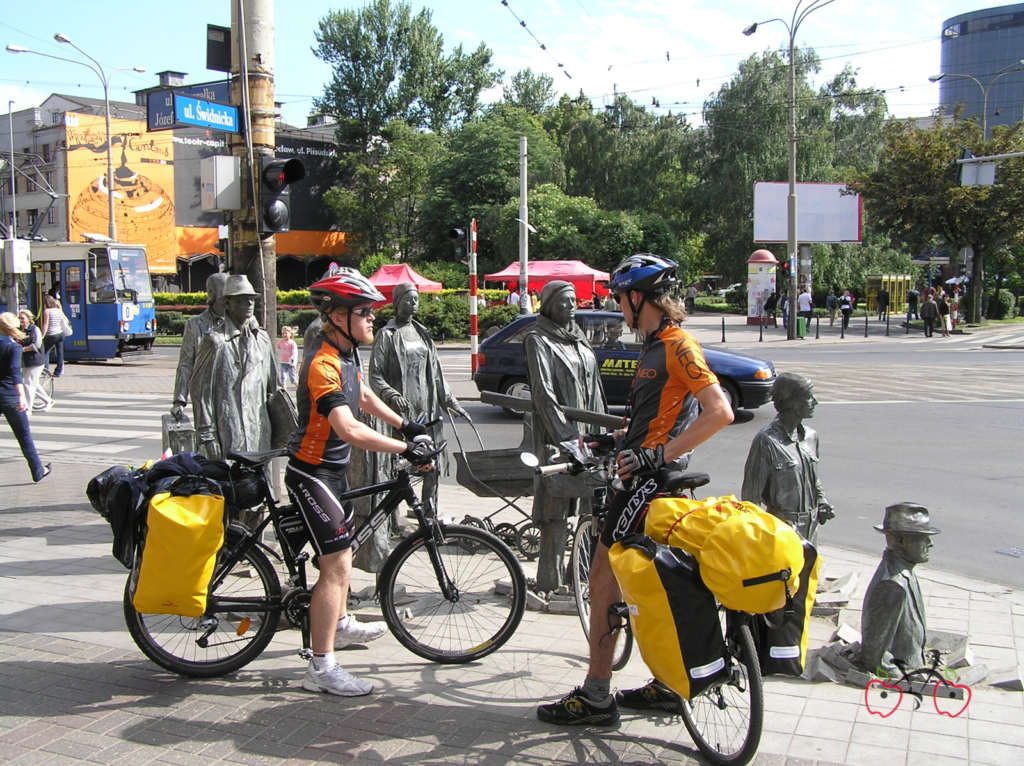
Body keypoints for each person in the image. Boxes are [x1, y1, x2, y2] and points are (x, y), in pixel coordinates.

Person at [536, 253, 734, 726]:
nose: (616, 307)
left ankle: (597, 696)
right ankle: (669, 683)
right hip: (643, 474)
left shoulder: (677, 345)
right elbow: (658, 417)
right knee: (655, 580)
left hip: (648, 484)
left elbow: (719, 412)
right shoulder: (653, 345)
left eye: (620, 298)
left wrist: (655, 456)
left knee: (603, 578)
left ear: (638, 297)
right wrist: (620, 439)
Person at [285, 270, 437, 697]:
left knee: (344, 550)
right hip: (311, 474)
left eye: (371, 312)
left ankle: (338, 620)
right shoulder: (322, 363)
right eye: (364, 312)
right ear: (336, 317)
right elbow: (349, 427)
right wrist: (404, 449)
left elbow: (365, 395)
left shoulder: (347, 354)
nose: (373, 319)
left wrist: (407, 424)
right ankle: (321, 668)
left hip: (334, 471)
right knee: (336, 565)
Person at [524, 280, 606, 593]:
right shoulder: (537, 339)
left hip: (589, 439)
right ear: (547, 305)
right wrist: (571, 440)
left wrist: (600, 436)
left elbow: (595, 387)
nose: (570, 307)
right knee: (555, 511)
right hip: (558, 438)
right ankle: (549, 581)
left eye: (573, 301)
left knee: (591, 509)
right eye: (563, 302)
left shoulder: (578, 337)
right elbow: (544, 396)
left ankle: (581, 577)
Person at [368, 282, 468, 517]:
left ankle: (428, 514)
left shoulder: (423, 334)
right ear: (396, 303)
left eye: (416, 299)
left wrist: (451, 402)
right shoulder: (387, 335)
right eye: (408, 299)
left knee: (432, 466)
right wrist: (390, 394)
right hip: (402, 416)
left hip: (429, 413)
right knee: (397, 469)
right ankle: (391, 519)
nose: (413, 304)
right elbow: (375, 375)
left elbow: (436, 373)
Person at [192, 275, 281, 459]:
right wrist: (207, 436)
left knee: (260, 485)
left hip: (260, 432)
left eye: (251, 299)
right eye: (241, 300)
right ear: (227, 303)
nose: (249, 304)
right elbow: (201, 393)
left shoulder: (262, 339)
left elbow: (274, 388)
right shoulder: (214, 341)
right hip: (229, 433)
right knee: (231, 485)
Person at [741, 372, 834, 546]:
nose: (815, 401)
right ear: (792, 402)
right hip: (781, 528)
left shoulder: (811, 437)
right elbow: (750, 498)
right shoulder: (767, 441)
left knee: (810, 571)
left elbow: (813, 478)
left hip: (811, 526)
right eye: (809, 397)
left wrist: (821, 501)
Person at [860, 503, 939, 678]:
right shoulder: (892, 585)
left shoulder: (905, 572)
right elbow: (876, 656)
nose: (930, 543)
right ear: (901, 540)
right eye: (923, 538)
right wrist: (906, 678)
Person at [170, 272, 227, 422]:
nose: (228, 302)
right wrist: (179, 400)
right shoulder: (194, 325)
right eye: (224, 298)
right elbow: (186, 364)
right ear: (212, 295)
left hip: (231, 397)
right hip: (204, 397)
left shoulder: (241, 324)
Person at [0, 313, 50, 482]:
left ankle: (38, 470)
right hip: (10, 396)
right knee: (23, 436)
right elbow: (15, 373)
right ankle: (38, 471)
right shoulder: (13, 347)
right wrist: (21, 396)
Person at [17, 310, 51, 414]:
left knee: (28, 384)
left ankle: (28, 408)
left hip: (36, 361)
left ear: (28, 319)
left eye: (23, 318)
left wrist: (22, 349)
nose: (21, 320)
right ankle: (48, 400)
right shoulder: (19, 330)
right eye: (19, 318)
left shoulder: (34, 329)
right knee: (32, 384)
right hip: (25, 361)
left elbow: (36, 345)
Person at [39, 293, 65, 378]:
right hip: (60, 333)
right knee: (60, 352)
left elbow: (46, 325)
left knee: (45, 351)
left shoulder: (47, 311)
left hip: (51, 334)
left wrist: (42, 335)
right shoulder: (58, 310)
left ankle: (45, 370)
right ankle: (58, 371)